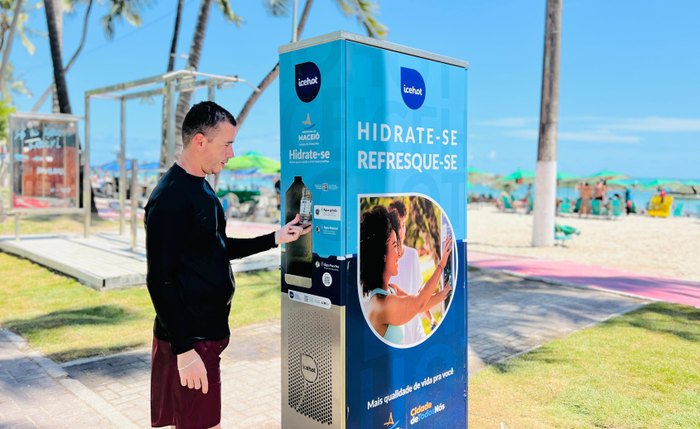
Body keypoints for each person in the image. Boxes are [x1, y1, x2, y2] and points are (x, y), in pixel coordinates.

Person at [145, 101, 310, 429]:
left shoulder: (200, 187)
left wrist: (275, 237)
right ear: (200, 142)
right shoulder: (170, 198)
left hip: (202, 336)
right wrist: (185, 351)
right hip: (192, 340)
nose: (231, 154)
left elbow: (216, 249)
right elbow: (159, 280)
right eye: (227, 144)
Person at [359, 205, 452, 345]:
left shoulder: (391, 290)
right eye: (395, 246)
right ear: (382, 255)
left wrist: (444, 293)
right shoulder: (382, 304)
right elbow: (419, 301)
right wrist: (441, 265)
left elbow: (420, 305)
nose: (399, 253)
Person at [387, 200, 436, 343]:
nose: (401, 231)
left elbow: (419, 293)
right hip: (396, 334)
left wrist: (431, 318)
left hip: (415, 330)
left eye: (403, 225)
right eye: (396, 226)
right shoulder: (383, 261)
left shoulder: (412, 255)